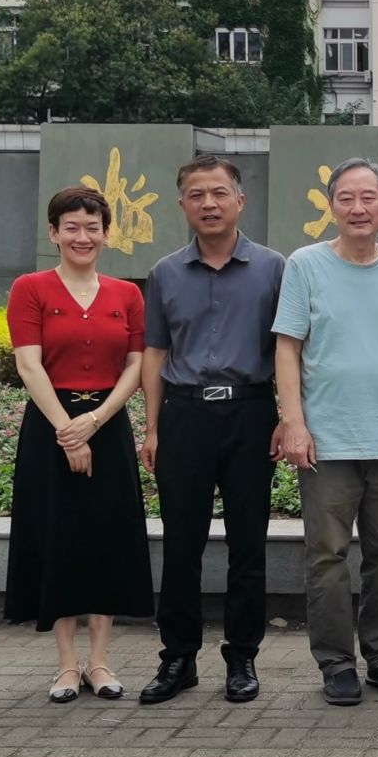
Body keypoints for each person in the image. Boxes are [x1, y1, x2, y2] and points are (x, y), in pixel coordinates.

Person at [136, 155, 286, 706]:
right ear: (182, 205)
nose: (209, 203)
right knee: (181, 545)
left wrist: (288, 417)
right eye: (196, 194)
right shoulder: (165, 273)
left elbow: (289, 349)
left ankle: (242, 657)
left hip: (251, 414)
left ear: (240, 201)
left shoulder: (274, 269)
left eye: (219, 193)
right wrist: (153, 427)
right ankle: (178, 658)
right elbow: (155, 352)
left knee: (248, 544)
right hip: (185, 416)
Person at [272, 157, 378, 707]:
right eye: (346, 198)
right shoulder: (305, 264)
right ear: (331, 205)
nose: (358, 208)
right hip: (326, 439)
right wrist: (293, 422)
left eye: (368, 198)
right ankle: (336, 663)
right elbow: (287, 346)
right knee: (327, 554)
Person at [5, 185, 154, 703]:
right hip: (50, 425)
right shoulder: (30, 288)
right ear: (54, 233)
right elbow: (29, 364)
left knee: (106, 537)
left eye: (93, 227)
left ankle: (100, 661)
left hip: (107, 424)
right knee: (60, 537)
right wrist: (67, 429)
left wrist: (94, 421)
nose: (82, 236)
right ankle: (67, 665)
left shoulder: (127, 295)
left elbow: (136, 365)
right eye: (71, 227)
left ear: (107, 234)